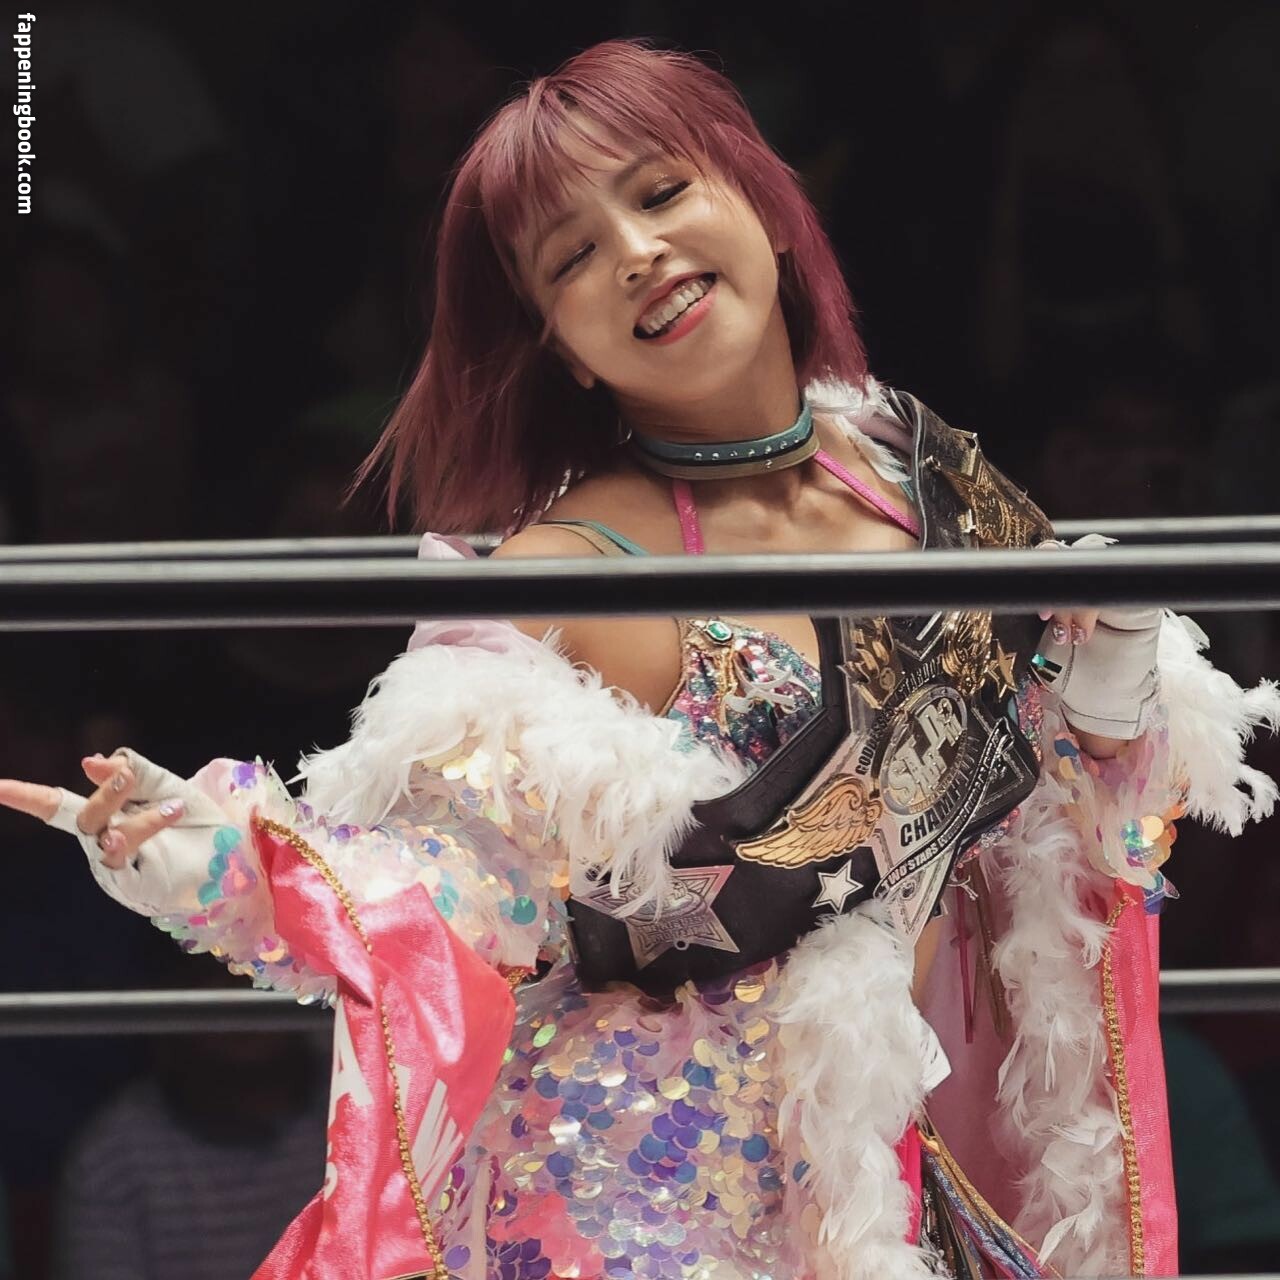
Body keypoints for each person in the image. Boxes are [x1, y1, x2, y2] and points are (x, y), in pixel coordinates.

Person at [3, 39, 1278, 1280]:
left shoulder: (911, 463)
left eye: (661, 192)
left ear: (763, 204)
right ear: (559, 340)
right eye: (571, 256)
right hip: (636, 1198)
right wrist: (229, 865)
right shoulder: (567, 569)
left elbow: (1074, 822)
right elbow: (450, 883)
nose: (636, 253)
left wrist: (1115, 651)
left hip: (883, 1168)